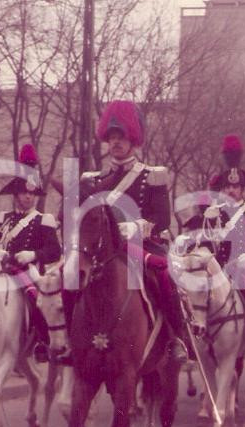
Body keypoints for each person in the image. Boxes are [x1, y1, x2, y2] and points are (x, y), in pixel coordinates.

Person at [78, 99, 189, 364]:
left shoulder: (152, 175)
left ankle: (176, 338)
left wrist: (130, 228)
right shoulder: (91, 180)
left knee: (165, 278)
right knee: (67, 278)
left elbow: (161, 219)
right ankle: (70, 340)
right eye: (111, 137)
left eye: (121, 136)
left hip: (141, 246)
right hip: (102, 249)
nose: (115, 142)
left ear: (133, 139)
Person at [198, 134, 245, 359]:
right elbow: (204, 243)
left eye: (236, 187)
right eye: (227, 187)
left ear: (242, 189)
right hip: (216, 271)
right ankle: (192, 341)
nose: (231, 191)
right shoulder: (212, 214)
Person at [0, 143, 61, 360]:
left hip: (28, 269)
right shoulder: (1, 219)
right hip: (1, 268)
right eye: (24, 192)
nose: (28, 197)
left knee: (35, 297)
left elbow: (54, 251)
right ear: (16, 193)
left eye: (32, 194)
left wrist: (33, 255)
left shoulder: (44, 220)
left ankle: (41, 341)